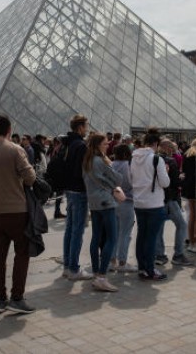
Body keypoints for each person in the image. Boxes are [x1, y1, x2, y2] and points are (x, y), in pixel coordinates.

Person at [0, 115, 37, 314]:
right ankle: (17, 297)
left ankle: (0, 299)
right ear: (9, 130)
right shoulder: (15, 149)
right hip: (16, 210)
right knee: (22, 254)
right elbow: (30, 178)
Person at [82, 133, 125, 291]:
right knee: (112, 239)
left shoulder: (87, 160)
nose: (108, 146)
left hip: (93, 203)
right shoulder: (100, 161)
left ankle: (95, 272)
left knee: (96, 238)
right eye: (105, 144)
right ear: (98, 145)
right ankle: (101, 276)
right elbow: (118, 179)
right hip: (106, 202)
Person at [131, 127, 170, 280]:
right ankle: (150, 269)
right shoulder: (156, 159)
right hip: (154, 203)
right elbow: (165, 183)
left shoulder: (134, 157)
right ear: (155, 144)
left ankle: (142, 267)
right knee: (151, 238)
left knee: (141, 236)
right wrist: (165, 171)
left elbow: (130, 178)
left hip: (139, 202)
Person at [61, 115, 94, 281]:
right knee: (77, 231)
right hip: (79, 191)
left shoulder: (68, 143)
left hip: (69, 190)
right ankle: (74, 268)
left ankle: (67, 266)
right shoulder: (81, 145)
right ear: (80, 127)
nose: (87, 128)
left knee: (69, 229)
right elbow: (82, 172)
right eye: (86, 126)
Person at [155, 139, 192, 267]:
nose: (173, 150)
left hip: (156, 199)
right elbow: (175, 182)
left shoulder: (153, 159)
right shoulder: (170, 161)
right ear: (168, 148)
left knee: (159, 228)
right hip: (170, 199)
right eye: (172, 147)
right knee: (181, 225)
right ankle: (178, 254)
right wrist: (182, 179)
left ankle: (159, 255)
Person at [110, 143, 136, 272]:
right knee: (126, 233)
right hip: (127, 201)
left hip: (113, 201)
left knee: (114, 233)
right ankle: (122, 262)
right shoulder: (128, 166)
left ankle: (111, 260)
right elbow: (133, 183)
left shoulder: (111, 165)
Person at [181, 138, 196, 254]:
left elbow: (184, 171)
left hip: (188, 187)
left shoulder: (186, 155)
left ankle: (191, 242)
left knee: (191, 215)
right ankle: (195, 242)